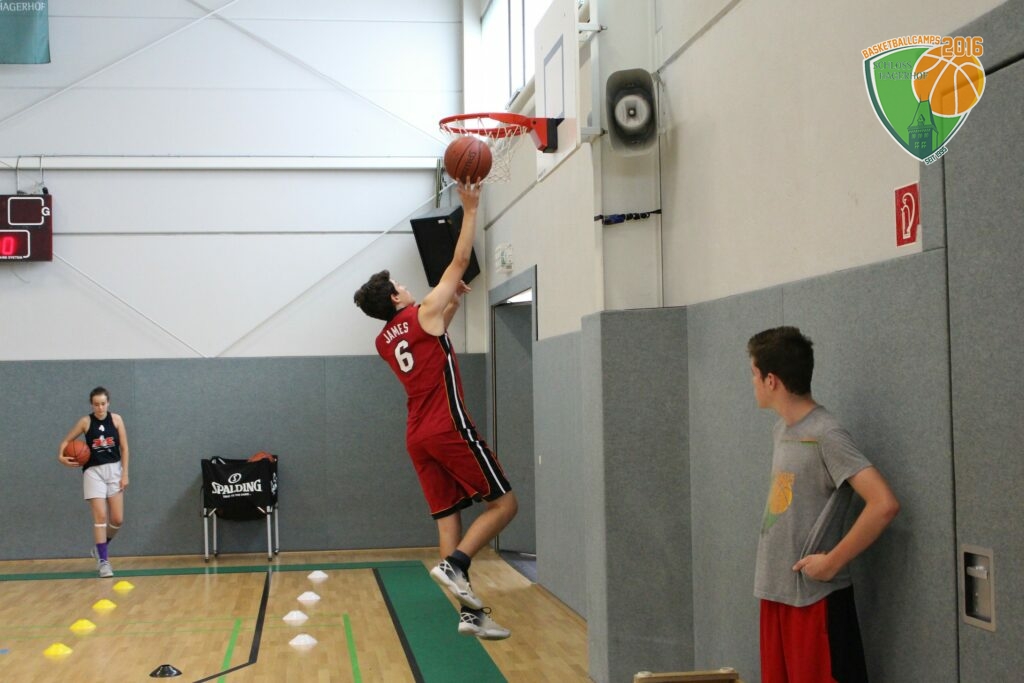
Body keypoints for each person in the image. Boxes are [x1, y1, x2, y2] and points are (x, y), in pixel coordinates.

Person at [353, 181, 517, 640]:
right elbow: (458, 262)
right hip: (447, 426)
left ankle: (470, 615)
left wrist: (454, 299)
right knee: (505, 503)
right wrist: (471, 208)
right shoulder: (422, 310)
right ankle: (456, 564)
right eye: (400, 286)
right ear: (394, 298)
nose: (407, 287)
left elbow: (434, 333)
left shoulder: (384, 341)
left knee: (449, 519)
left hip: (417, 436)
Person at [748, 326, 900, 683]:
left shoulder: (827, 434)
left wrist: (832, 562)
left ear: (771, 380)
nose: (751, 383)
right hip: (776, 593)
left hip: (814, 601)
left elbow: (883, 504)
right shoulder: (781, 430)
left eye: (753, 374)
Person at [57, 386, 130, 579]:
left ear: (108, 403)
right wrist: (61, 457)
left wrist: (125, 474)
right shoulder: (85, 422)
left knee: (117, 519)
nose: (100, 407)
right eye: (96, 404)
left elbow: (124, 448)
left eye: (103, 403)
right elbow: (65, 442)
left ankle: (99, 549)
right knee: (100, 517)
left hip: (114, 470)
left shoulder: (117, 419)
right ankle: (104, 562)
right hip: (93, 472)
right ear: (92, 404)